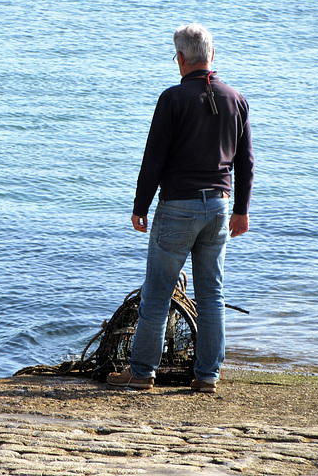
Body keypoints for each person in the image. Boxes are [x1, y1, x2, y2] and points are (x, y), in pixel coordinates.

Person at [107, 24, 254, 393]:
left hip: (177, 207)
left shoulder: (172, 99)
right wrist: (242, 210)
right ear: (212, 56)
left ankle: (142, 373)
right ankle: (207, 376)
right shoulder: (236, 99)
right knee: (212, 296)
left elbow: (153, 160)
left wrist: (140, 206)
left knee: (157, 294)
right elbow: (246, 162)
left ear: (182, 59)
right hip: (220, 208)